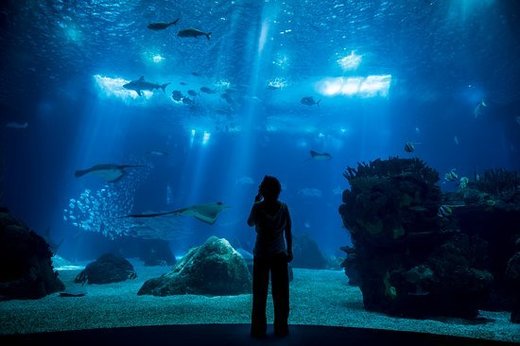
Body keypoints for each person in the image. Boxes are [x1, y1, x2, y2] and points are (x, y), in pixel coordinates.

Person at [247, 175, 292, 338]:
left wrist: (255, 202)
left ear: (263, 190)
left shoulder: (258, 207)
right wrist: (290, 250)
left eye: (261, 187)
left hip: (261, 254)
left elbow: (250, 223)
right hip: (280, 253)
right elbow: (288, 230)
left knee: (260, 292)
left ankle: (258, 329)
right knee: (281, 293)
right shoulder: (284, 207)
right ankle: (281, 328)